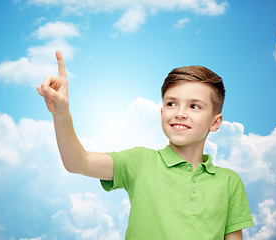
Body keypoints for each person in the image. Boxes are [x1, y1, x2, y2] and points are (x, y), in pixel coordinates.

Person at [37, 50, 253, 240]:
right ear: (162, 112)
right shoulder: (141, 162)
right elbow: (78, 162)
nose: (180, 113)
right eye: (171, 103)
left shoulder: (229, 183)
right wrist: (61, 113)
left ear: (215, 122)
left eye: (194, 106)